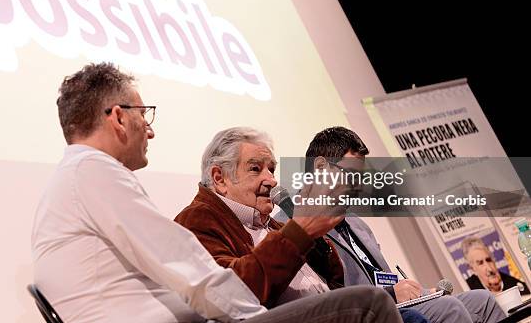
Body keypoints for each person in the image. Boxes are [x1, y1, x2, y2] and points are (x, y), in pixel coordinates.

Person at [31, 63, 403, 323]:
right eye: (145, 114)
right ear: (117, 117)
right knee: (368, 308)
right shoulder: (96, 174)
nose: (150, 129)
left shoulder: (77, 179)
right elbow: (203, 282)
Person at [176, 126, 420, 322]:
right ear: (220, 178)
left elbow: (333, 284)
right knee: (373, 305)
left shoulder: (272, 226)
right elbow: (231, 294)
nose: (271, 180)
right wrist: (301, 232)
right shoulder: (198, 220)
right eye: (255, 169)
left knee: (435, 310)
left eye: (272, 169)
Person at [298, 126, 506, 323]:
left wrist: (420, 293)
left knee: (482, 300)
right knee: (449, 308)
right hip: (365, 313)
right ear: (321, 167)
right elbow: (325, 298)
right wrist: (391, 294)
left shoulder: (354, 221)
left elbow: (384, 279)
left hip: (392, 303)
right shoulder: (294, 226)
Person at [462, 236, 530, 294]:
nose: (489, 268)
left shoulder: (516, 285)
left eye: (489, 260)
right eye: (480, 263)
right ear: (472, 269)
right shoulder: (468, 291)